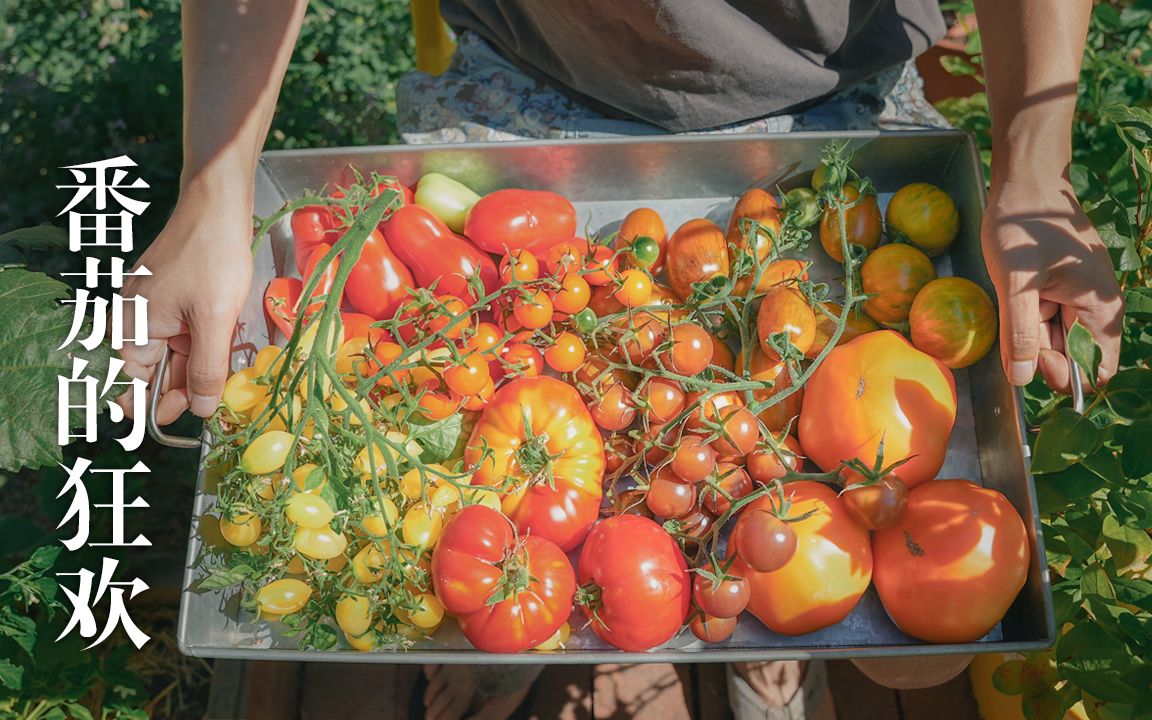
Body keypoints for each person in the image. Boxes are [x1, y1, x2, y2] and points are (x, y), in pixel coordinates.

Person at [120, 1, 1125, 718]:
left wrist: (1035, 167)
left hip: (837, 86)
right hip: (525, 79)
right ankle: (517, 617)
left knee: (914, 663)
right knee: (477, 557)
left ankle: (676, 609)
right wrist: (214, 192)